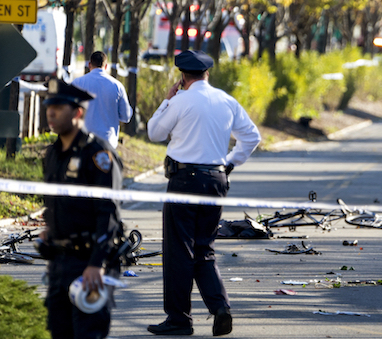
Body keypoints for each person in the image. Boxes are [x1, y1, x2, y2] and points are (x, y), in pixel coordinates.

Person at [146, 50, 261, 337]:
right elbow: (252, 136)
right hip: (216, 180)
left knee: (178, 251)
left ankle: (179, 319)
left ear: (183, 77)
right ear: (207, 73)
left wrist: (167, 100)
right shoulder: (226, 100)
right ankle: (220, 307)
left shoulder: (181, 100)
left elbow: (154, 133)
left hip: (185, 180)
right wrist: (230, 163)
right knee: (203, 248)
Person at [37, 78, 124, 339]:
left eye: (59, 107)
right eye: (49, 105)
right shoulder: (52, 154)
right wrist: (49, 230)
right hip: (59, 261)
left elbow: (107, 211)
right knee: (58, 332)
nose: (51, 112)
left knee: (87, 333)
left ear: (78, 112)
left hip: (90, 263)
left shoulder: (97, 154)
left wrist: (97, 263)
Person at [71, 51, 133, 148]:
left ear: (89, 64)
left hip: (82, 141)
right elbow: (126, 116)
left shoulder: (77, 83)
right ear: (106, 66)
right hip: (107, 143)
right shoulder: (117, 86)